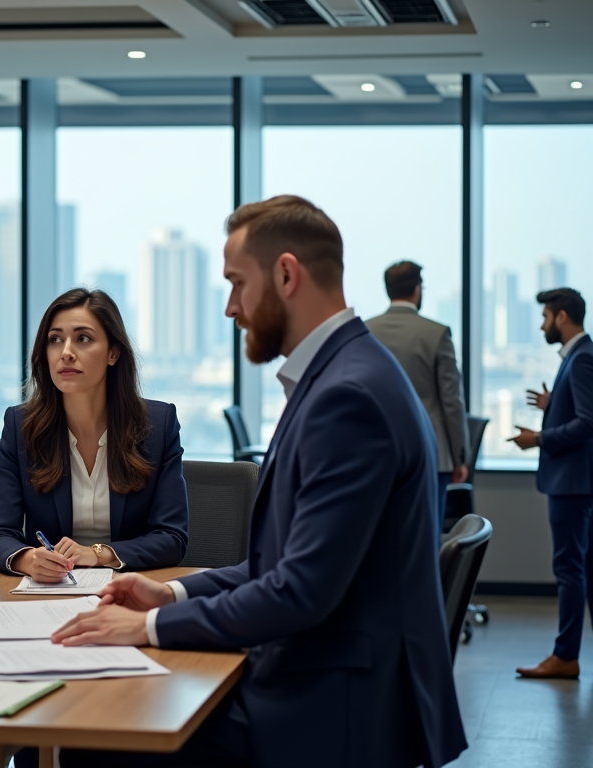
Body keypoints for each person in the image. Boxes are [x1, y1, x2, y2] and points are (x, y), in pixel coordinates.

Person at [51, 196, 466, 768]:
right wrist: (169, 593)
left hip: (333, 706)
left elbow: (298, 591)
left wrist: (145, 626)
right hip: (333, 679)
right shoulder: (346, 374)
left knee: (95, 734)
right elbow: (284, 565)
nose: (230, 307)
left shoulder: (347, 397)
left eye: (237, 283)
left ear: (287, 275)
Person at [0, 287, 188, 582]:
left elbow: (172, 538)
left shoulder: (157, 424)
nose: (66, 352)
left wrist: (98, 554)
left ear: (113, 353)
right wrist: (29, 559)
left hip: (131, 590)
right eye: (55, 340)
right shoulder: (21, 426)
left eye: (83, 338)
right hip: (51, 593)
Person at [511, 288, 593, 680]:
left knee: (569, 569)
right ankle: (567, 654)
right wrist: (551, 404)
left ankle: (565, 656)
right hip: (574, 481)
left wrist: (539, 438)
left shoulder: (580, 359)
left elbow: (587, 424)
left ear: (562, 317)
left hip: (571, 482)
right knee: (581, 567)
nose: (543, 324)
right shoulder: (579, 356)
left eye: (545, 316)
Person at [366, 260, 469, 527]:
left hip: (376, 449)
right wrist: (459, 457)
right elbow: (452, 402)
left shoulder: (365, 331)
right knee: (428, 532)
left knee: (381, 532)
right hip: (431, 451)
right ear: (417, 289)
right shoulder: (437, 333)